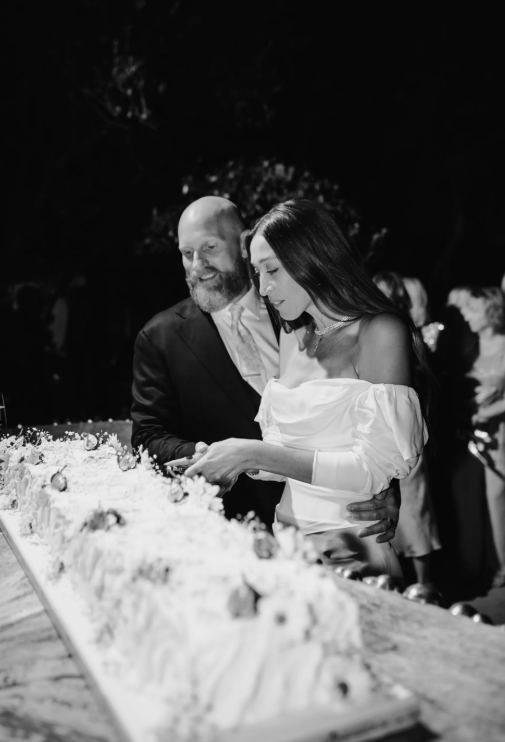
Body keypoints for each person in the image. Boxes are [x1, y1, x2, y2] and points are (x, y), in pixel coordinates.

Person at [172, 200, 432, 576]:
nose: (263, 288)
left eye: (272, 270)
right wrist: (229, 461)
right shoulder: (293, 337)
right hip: (287, 545)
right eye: (257, 272)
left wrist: (251, 453)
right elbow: (285, 454)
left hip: (350, 547)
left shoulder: (379, 332)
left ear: (311, 257)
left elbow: (372, 469)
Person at [131, 196, 399, 537]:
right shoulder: (160, 337)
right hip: (230, 528)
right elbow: (148, 436)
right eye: (187, 253)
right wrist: (209, 456)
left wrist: (385, 489)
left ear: (243, 244)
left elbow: (370, 425)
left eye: (210, 247)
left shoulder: (301, 313)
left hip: (344, 525)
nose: (197, 265)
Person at [461, 287, 505, 569]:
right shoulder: (467, 346)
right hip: (474, 436)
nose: (466, 315)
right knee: (489, 498)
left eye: (473, 309)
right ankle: (498, 565)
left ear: (492, 312)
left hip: (500, 431)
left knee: (498, 495)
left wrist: (486, 410)